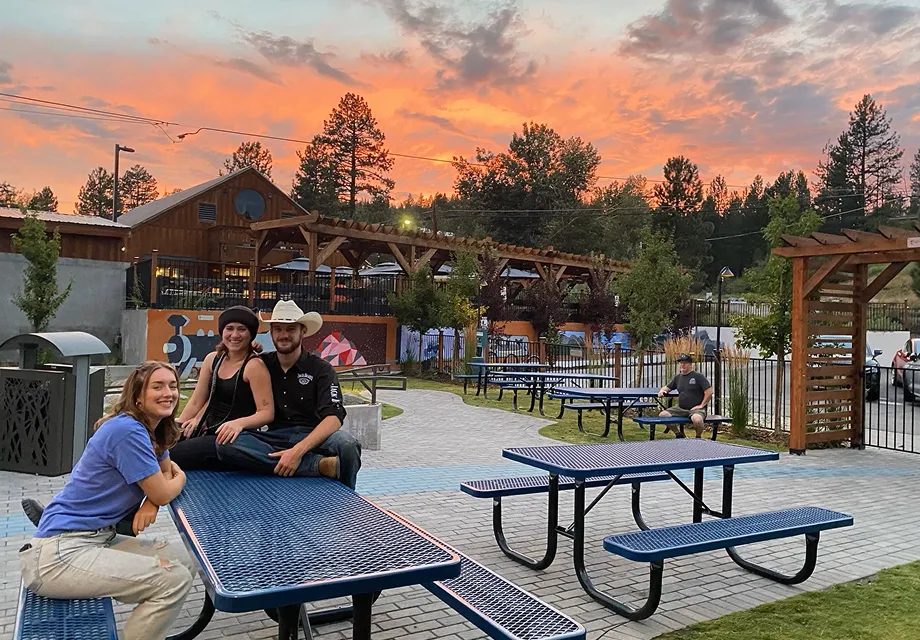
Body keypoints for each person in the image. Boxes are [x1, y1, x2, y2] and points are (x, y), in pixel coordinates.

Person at [18, 362, 195, 640]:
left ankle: (147, 622)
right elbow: (167, 483)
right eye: (157, 386)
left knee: (185, 559)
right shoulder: (127, 431)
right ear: (138, 395)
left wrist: (151, 501)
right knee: (173, 580)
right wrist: (179, 480)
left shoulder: (151, 429)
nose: (169, 393)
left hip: (98, 538)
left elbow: (163, 475)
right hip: (57, 556)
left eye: (173, 386)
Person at [215, 300, 362, 488]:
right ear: (271, 332)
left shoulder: (322, 369)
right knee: (225, 445)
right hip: (273, 437)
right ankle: (319, 466)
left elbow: (334, 417)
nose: (284, 335)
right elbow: (228, 363)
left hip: (314, 436)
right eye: (278, 329)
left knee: (348, 445)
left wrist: (298, 451)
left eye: (291, 329)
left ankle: (347, 499)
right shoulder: (260, 364)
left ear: (303, 331)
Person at [169, 305, 274, 470]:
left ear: (251, 334)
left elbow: (267, 413)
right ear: (222, 332)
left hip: (229, 438)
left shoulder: (254, 366)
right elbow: (197, 400)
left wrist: (239, 424)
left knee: (169, 454)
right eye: (229, 329)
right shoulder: (212, 359)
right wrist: (180, 427)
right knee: (158, 441)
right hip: (207, 428)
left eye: (242, 329)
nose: (235, 335)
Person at [657, 353, 713, 437]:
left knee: (697, 420)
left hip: (696, 409)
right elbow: (667, 387)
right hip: (680, 408)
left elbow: (709, 391)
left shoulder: (698, 376)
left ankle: (698, 437)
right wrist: (662, 391)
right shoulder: (677, 378)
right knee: (663, 415)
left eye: (685, 363)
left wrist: (701, 405)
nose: (682, 365)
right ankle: (678, 434)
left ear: (690, 365)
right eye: (681, 363)